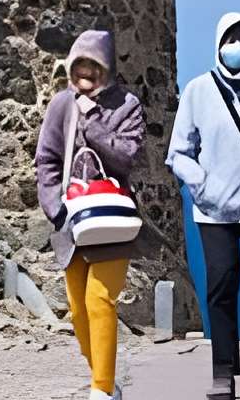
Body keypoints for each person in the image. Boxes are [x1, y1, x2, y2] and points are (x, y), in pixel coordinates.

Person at [37, 27, 147, 399]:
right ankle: (106, 378)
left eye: (93, 66)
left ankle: (100, 390)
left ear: (107, 67)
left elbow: (127, 156)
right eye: (79, 65)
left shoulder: (127, 105)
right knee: (77, 311)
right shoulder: (60, 105)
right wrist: (55, 207)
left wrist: (94, 123)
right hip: (71, 220)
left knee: (100, 300)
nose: (86, 74)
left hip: (111, 220)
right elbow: (47, 160)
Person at [169, 11, 240, 397]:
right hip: (215, 210)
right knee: (222, 285)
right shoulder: (198, 91)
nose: (238, 47)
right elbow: (179, 153)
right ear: (218, 44)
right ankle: (223, 372)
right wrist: (202, 184)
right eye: (231, 39)